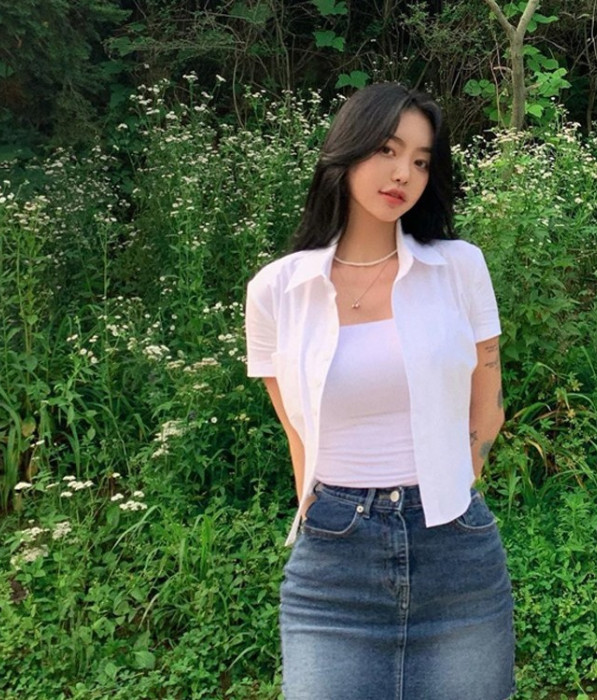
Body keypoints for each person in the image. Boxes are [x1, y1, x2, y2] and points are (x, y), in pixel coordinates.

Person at [245, 83, 515, 700]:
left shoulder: (459, 267)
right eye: (388, 151)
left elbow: (489, 405)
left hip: (456, 551)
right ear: (347, 150)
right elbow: (295, 430)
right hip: (332, 566)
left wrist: (453, 487)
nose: (403, 175)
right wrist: (319, 514)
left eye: (421, 161)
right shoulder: (276, 290)